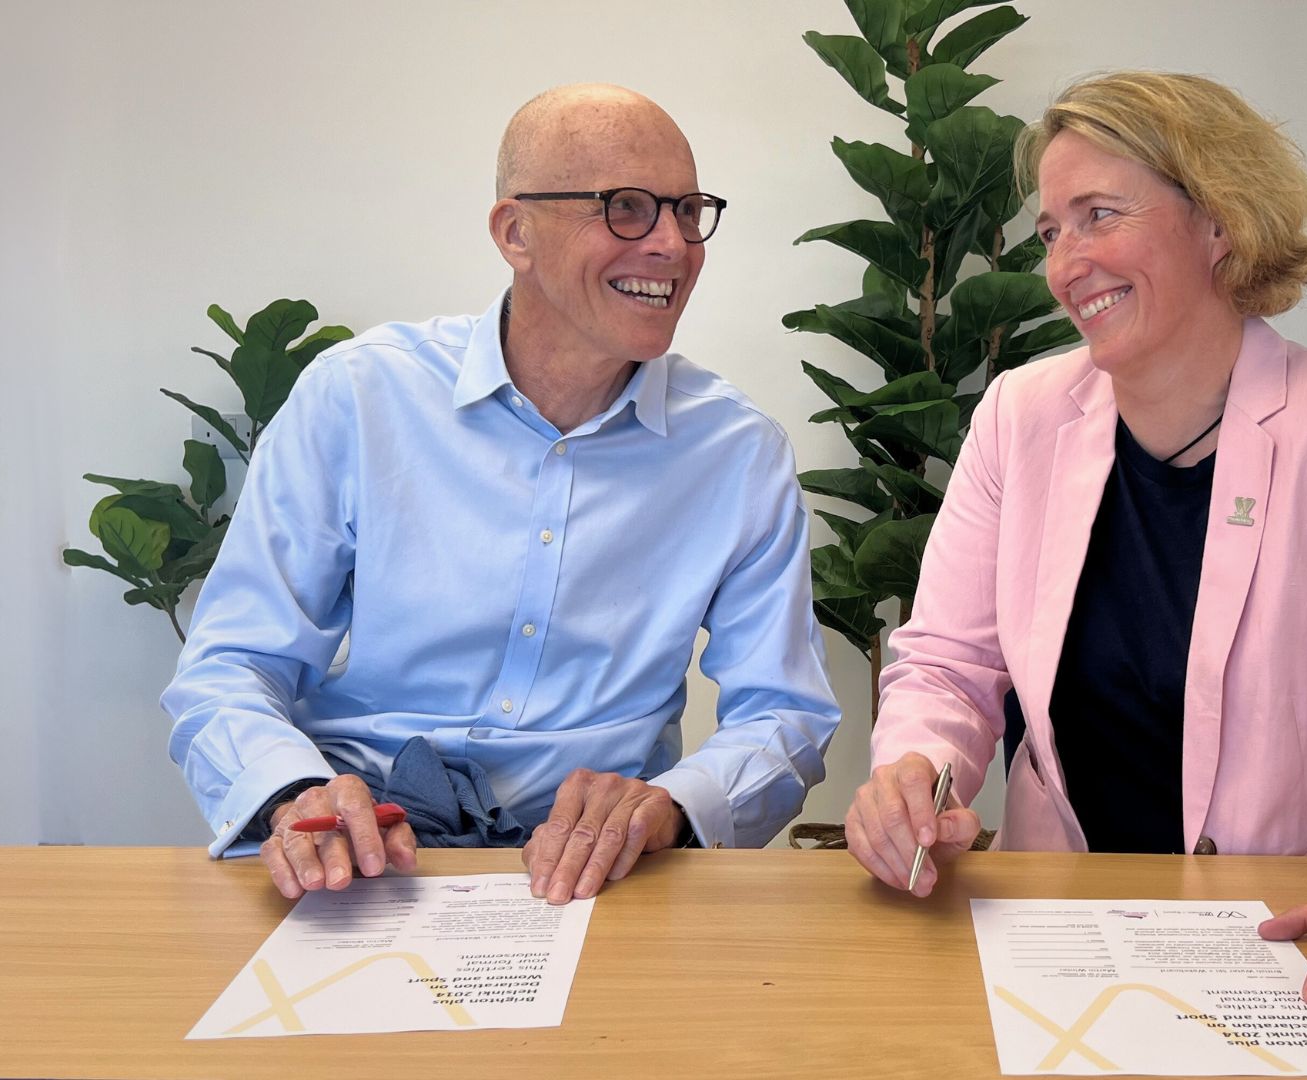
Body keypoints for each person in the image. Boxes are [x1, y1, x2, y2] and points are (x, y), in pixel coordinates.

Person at [846, 71, 1307, 1024]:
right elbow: (948, 665)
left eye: (1099, 215)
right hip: (1065, 929)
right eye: (1051, 232)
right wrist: (917, 770)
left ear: (1219, 222)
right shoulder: (1019, 415)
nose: (1067, 264)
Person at [164, 84, 840, 906]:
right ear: (515, 232)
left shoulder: (737, 452)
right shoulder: (358, 396)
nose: (672, 244)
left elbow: (784, 715)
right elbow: (233, 663)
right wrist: (290, 796)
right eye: (626, 208)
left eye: (688, 210)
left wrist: (669, 805)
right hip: (365, 856)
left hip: (599, 873)